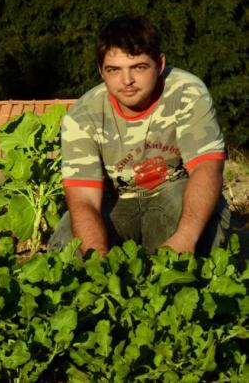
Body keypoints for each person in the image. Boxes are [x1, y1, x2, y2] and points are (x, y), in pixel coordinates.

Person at [49, 15, 230, 256]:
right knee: (67, 244)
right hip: (118, 202)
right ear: (101, 71)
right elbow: (84, 200)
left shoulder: (188, 92)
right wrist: (97, 259)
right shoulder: (82, 116)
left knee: (206, 230)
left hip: (173, 195)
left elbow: (206, 168)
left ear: (160, 64)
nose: (127, 81)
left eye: (139, 67)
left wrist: (185, 238)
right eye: (114, 70)